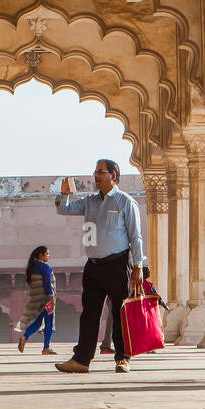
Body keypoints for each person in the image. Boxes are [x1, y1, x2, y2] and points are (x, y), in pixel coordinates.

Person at [53, 159, 145, 374]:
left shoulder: (125, 202)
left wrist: (138, 266)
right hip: (93, 266)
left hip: (118, 264)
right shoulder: (90, 202)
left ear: (113, 175)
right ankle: (82, 359)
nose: (96, 176)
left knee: (119, 312)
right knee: (89, 314)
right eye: (95, 172)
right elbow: (63, 209)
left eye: (100, 172)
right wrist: (65, 193)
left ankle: (123, 358)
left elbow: (135, 236)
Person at [17, 245, 57, 355]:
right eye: (47, 254)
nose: (49, 256)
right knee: (48, 322)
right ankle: (46, 348)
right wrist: (51, 297)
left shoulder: (32, 267)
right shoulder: (45, 267)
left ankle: (25, 337)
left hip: (37, 299)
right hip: (47, 299)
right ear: (41, 255)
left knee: (38, 321)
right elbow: (47, 283)